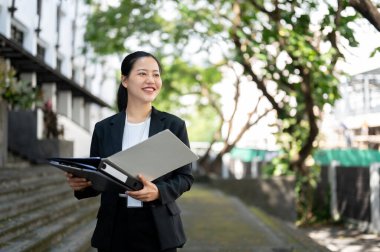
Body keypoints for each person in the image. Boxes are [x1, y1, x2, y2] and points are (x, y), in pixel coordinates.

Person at [66, 51, 194, 251]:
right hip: (114, 227)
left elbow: (185, 177)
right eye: (142, 74)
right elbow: (99, 178)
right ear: (125, 80)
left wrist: (159, 191)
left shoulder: (173, 125)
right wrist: (82, 184)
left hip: (159, 228)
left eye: (156, 74)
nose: (151, 80)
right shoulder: (104, 128)